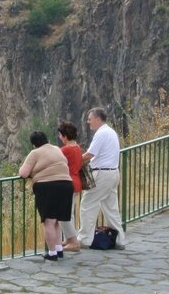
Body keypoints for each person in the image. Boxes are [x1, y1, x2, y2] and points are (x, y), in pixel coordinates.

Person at [18, 130, 74, 261]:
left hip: (48, 187)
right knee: (56, 220)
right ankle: (59, 249)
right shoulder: (56, 148)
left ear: (34, 144)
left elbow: (23, 173)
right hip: (66, 184)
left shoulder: (35, 153)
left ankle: (52, 253)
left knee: (48, 221)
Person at [77, 107, 127, 249]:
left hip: (102, 174)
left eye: (90, 119)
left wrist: (73, 162)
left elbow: (90, 154)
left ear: (97, 119)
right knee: (111, 208)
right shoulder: (111, 132)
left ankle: (84, 239)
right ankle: (120, 240)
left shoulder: (101, 134)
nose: (88, 122)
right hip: (113, 172)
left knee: (88, 204)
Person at [57, 120, 84, 252]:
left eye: (60, 135)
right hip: (76, 181)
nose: (60, 138)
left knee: (64, 214)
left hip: (67, 182)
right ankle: (69, 238)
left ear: (65, 136)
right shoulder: (77, 148)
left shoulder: (66, 149)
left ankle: (73, 241)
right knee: (69, 213)